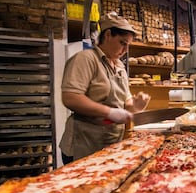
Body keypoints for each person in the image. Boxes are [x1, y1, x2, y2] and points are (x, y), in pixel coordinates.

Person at [59, 12, 151, 164]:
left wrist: (136, 105)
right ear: (108, 35)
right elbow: (71, 97)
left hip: (111, 142)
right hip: (85, 143)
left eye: (128, 45)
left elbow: (125, 102)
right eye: (123, 43)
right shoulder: (86, 59)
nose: (126, 50)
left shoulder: (120, 66)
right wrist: (109, 112)